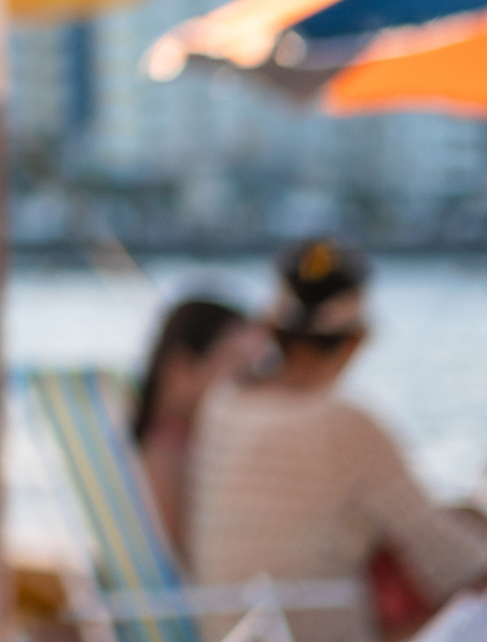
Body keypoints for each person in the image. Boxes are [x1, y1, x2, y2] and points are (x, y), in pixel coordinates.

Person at [190, 239, 487, 642]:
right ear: (357, 339)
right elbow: (456, 562)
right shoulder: (344, 424)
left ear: (273, 328)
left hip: (228, 629)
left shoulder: (225, 401)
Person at [130, 293, 254, 565]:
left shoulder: (164, 446)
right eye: (239, 371)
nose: (250, 386)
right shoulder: (165, 456)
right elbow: (189, 562)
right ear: (180, 367)